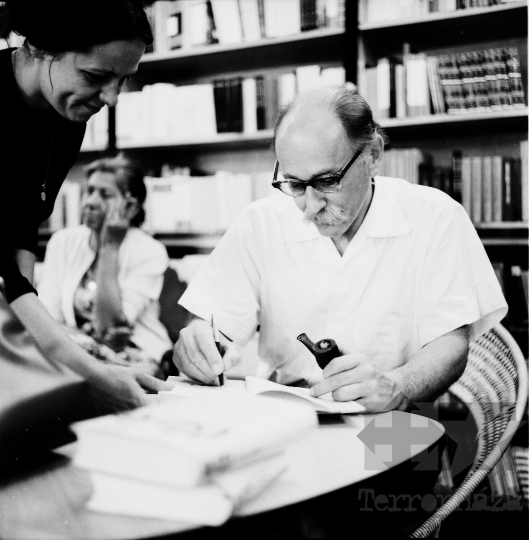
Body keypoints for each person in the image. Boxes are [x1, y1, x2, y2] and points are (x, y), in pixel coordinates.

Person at [173, 86, 508, 413]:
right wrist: (200, 342)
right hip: (285, 409)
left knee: (405, 453)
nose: (310, 205)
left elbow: (451, 344)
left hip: (393, 414)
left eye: (327, 181)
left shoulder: (436, 217)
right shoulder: (259, 222)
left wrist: (399, 386)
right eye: (295, 184)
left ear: (373, 155)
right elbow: (214, 321)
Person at [0, 0, 169, 414]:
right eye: (96, 76)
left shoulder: (65, 116)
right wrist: (88, 371)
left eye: (123, 80)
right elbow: (6, 276)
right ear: (40, 46)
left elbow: (22, 231)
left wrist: (51, 357)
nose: (111, 99)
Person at [38, 155, 173, 378]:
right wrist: (85, 338)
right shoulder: (62, 242)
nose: (90, 202)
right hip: (77, 348)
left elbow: (109, 326)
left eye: (105, 194)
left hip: (135, 354)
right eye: (89, 191)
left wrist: (109, 248)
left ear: (131, 206)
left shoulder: (150, 251)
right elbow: (46, 317)